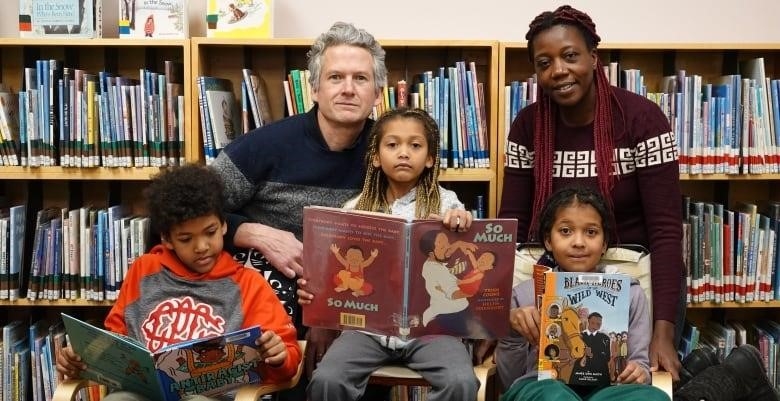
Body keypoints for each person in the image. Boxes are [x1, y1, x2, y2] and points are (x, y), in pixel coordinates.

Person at [498, 4, 684, 381]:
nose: (558, 71)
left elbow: (665, 231)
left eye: (570, 56)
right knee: (541, 380)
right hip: (547, 271)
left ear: (593, 57)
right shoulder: (527, 125)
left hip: (626, 273)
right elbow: (512, 226)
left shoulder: (642, 120)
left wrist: (663, 332)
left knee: (630, 381)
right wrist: (495, 319)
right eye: (544, 63)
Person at [210, 21, 389, 398]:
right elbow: (186, 215)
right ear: (314, 88)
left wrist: (333, 311)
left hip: (360, 310)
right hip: (272, 305)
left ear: (378, 92)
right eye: (335, 76)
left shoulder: (392, 152)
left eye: (360, 78)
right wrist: (252, 232)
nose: (347, 89)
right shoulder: (263, 147)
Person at [55, 165, 302, 401]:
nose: (202, 247)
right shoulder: (144, 270)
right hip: (143, 392)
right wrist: (83, 357)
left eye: (210, 232)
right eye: (186, 239)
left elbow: (287, 360)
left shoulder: (248, 284)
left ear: (224, 225)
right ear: (167, 238)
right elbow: (116, 339)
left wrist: (278, 356)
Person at [297, 107, 480, 401]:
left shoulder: (448, 204)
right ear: (375, 157)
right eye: (392, 145)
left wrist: (462, 224)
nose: (404, 153)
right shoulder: (355, 208)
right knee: (327, 380)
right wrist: (315, 295)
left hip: (430, 331)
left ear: (430, 158)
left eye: (415, 145)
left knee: (461, 382)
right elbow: (331, 274)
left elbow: (464, 239)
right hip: (366, 331)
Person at [497, 185, 668, 401]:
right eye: (565, 231)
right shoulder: (524, 295)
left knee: (654, 398)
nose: (579, 242)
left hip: (609, 392)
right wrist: (511, 331)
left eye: (591, 232)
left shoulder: (631, 294)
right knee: (554, 396)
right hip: (542, 388)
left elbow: (640, 365)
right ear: (548, 240)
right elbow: (508, 379)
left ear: (604, 243)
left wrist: (638, 372)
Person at [570, 312, 611, 386]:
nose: (598, 323)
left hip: (600, 376)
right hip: (580, 375)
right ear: (588, 321)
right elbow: (573, 354)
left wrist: (592, 355)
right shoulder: (579, 336)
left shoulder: (605, 338)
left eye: (599, 322)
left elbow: (607, 357)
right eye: (594, 322)